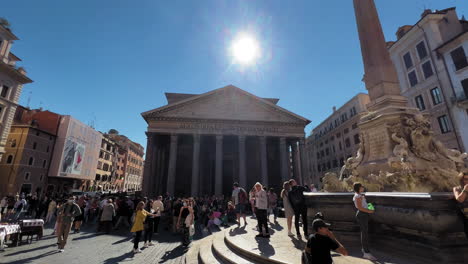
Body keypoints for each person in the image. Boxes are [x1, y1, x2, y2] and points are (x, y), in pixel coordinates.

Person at [353, 182, 377, 261]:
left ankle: (364, 250)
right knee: (364, 233)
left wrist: (369, 206)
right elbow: (360, 207)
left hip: (362, 214)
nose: (363, 187)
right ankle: (366, 253)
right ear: (359, 188)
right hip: (362, 215)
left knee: (364, 233)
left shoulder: (359, 195)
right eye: (362, 186)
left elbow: (362, 205)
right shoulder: (358, 196)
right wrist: (369, 211)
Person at [453, 172, 468, 239]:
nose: (467, 181)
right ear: (461, 180)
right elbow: (459, 199)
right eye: (465, 179)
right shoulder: (457, 188)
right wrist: (465, 189)